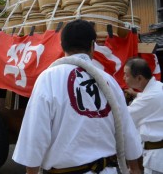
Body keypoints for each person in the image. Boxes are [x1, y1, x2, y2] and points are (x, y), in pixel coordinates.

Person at [12, 19, 143, 174]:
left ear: (61, 45)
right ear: (93, 46)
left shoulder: (49, 78)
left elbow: (35, 133)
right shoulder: (109, 81)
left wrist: (31, 172)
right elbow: (126, 128)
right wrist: (134, 168)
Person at [124, 57, 163, 174]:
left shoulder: (149, 98)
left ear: (139, 78)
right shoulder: (158, 87)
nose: (123, 78)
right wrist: (136, 94)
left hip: (157, 157)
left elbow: (123, 118)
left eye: (126, 75)